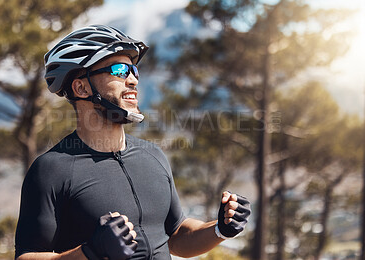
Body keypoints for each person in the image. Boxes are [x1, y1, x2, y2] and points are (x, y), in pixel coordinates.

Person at [14, 25, 251, 260]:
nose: (133, 80)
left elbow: (176, 236)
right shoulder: (51, 170)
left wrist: (220, 229)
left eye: (134, 70)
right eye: (119, 70)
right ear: (81, 87)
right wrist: (90, 252)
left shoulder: (153, 156)